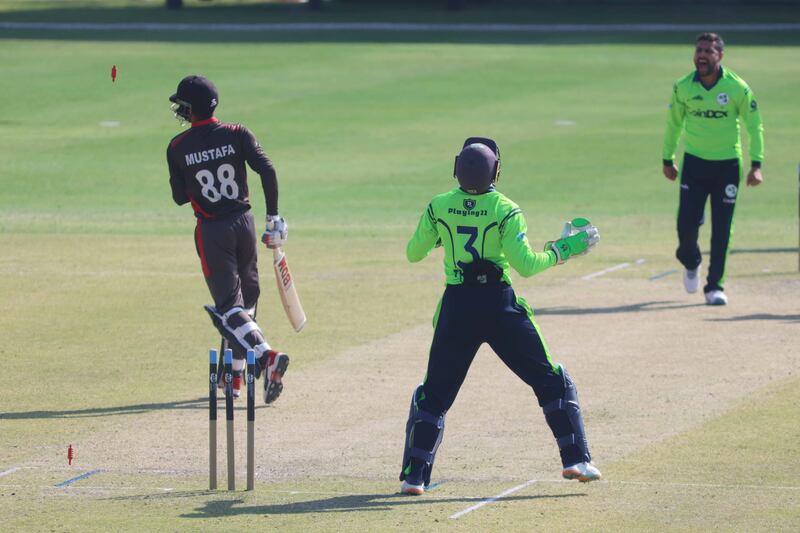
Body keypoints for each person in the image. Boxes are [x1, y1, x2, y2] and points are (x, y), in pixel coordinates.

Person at [398, 137, 602, 496]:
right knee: (551, 380)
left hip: (457, 307)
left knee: (433, 395)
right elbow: (525, 265)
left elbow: (414, 253)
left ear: (456, 168)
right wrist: (562, 250)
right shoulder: (506, 209)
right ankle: (576, 461)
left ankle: (415, 478)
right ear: (496, 171)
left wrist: (442, 237)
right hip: (499, 306)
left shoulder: (439, 206)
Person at [166, 75, 289, 403]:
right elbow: (268, 170)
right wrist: (273, 217)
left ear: (191, 109)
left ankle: (266, 357)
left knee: (229, 308)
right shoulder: (237, 133)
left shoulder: (178, 147)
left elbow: (180, 198)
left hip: (212, 230)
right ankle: (233, 379)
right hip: (244, 222)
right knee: (247, 301)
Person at [662, 32, 764, 306]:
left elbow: (754, 126)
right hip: (694, 164)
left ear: (720, 56)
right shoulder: (682, 87)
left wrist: (757, 164)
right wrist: (667, 158)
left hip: (727, 166)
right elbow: (674, 124)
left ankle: (714, 285)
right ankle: (691, 261)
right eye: (699, 50)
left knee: (721, 229)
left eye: (708, 51)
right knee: (685, 227)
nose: (702, 55)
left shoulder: (737, 87)